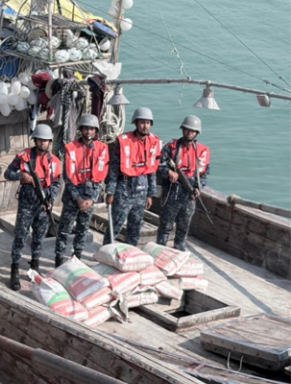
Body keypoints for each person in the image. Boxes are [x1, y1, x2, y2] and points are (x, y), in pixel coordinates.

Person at [4, 124, 61, 290]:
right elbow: (8, 174)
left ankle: (34, 267)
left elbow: (56, 182)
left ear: (50, 142)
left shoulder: (55, 162)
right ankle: (14, 269)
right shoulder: (24, 157)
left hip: (44, 206)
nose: (43, 143)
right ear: (35, 140)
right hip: (27, 204)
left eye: (46, 140)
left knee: (39, 239)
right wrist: (21, 175)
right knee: (20, 236)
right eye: (40, 139)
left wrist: (51, 201)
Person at [54, 114, 109, 267]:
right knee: (64, 230)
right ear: (80, 129)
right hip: (73, 198)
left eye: (92, 128)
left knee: (82, 230)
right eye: (86, 128)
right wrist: (78, 199)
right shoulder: (71, 149)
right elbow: (68, 177)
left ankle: (76, 260)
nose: (88, 131)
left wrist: (90, 200)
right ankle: (58, 260)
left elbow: (100, 177)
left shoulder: (102, 149)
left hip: (89, 197)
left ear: (95, 130)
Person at [103, 107, 160, 246]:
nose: (145, 126)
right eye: (142, 122)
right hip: (124, 188)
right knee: (115, 224)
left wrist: (150, 194)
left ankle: (130, 253)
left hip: (142, 188)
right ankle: (104, 252)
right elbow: (113, 169)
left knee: (135, 227)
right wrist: (110, 192)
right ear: (135, 123)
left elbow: (152, 170)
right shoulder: (123, 141)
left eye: (147, 123)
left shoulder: (154, 142)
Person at [156, 115, 210, 250]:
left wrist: (198, 187)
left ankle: (178, 252)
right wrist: (169, 172)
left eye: (192, 131)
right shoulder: (171, 147)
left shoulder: (202, 151)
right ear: (183, 130)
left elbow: (204, 174)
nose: (189, 133)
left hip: (189, 196)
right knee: (164, 228)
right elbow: (158, 164)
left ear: (197, 133)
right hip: (171, 194)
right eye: (187, 130)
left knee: (183, 229)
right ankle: (159, 252)